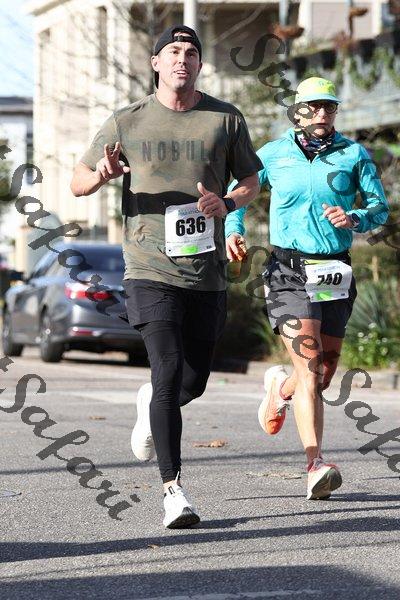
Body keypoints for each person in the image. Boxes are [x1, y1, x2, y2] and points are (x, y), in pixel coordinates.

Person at [70, 25, 262, 527]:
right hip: (148, 267)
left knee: (192, 382)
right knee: (168, 368)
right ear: (156, 62)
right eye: (173, 51)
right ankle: (173, 490)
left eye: (191, 52)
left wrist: (227, 203)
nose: (183, 59)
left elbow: (251, 180)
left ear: (199, 64)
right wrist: (104, 175)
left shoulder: (225, 119)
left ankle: (150, 405)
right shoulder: (127, 120)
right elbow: (77, 182)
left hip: (206, 272)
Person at [225, 77, 389, 500]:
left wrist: (354, 218)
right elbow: (238, 192)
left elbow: (379, 208)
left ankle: (279, 391)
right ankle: (315, 464)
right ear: (297, 111)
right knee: (311, 368)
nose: (322, 113)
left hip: (335, 268)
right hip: (288, 269)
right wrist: (232, 229)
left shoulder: (354, 154)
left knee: (324, 374)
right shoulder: (273, 153)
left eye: (329, 107)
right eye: (313, 106)